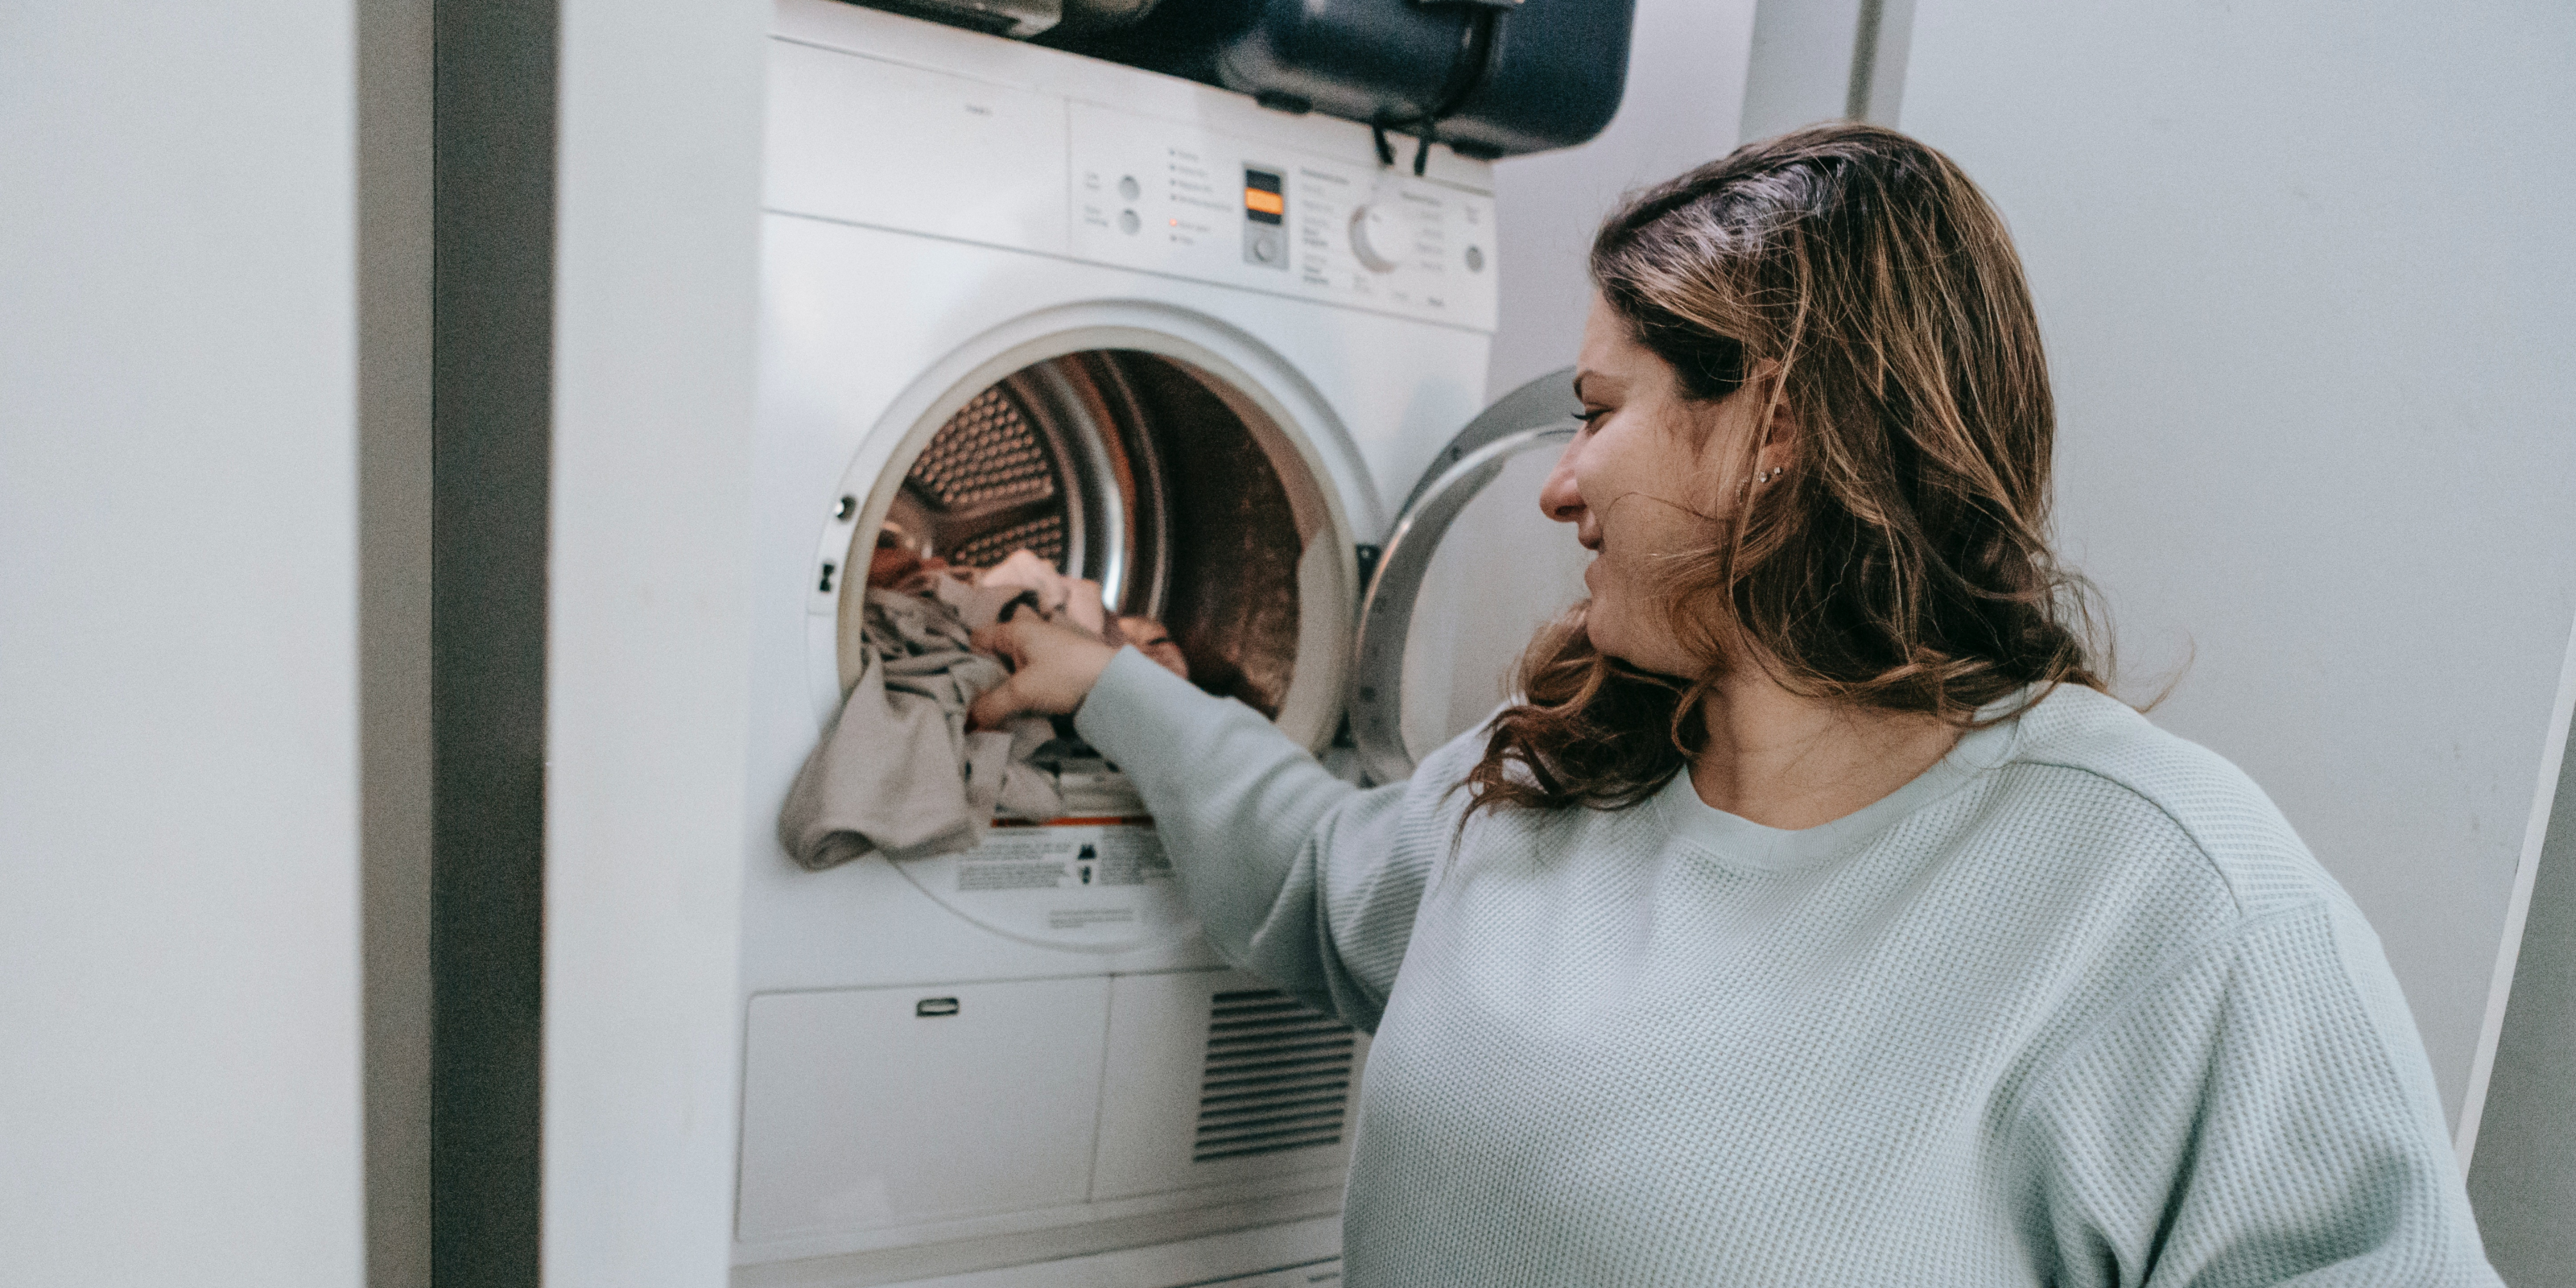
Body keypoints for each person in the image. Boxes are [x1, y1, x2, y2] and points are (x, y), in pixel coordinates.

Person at [968, 124, 2500, 1286]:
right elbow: (1314, 871)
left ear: (1775, 421)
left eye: (1600, 411)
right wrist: (1112, 682)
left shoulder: (2167, 902)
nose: (1560, 483)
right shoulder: (1568, 778)